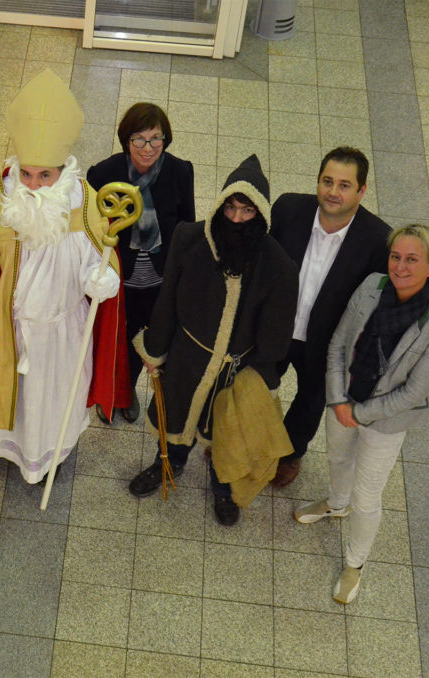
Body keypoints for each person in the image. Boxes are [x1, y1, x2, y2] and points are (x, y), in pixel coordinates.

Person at [0, 69, 129, 484]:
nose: (33, 185)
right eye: (27, 174)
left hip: (61, 331)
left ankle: (50, 454)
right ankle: (6, 451)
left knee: (52, 401)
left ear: (62, 171)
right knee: (15, 404)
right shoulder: (3, 200)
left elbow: (98, 256)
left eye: (44, 176)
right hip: (11, 329)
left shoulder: (85, 204)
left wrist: (101, 281)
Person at [127, 155, 299, 526]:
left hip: (234, 372)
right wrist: (155, 350)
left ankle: (223, 489)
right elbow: (168, 299)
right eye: (231, 208)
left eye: (247, 211)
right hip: (186, 359)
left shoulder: (279, 267)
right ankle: (167, 465)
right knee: (174, 418)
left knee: (226, 435)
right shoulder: (190, 239)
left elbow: (275, 333)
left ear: (261, 214)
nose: (236, 219)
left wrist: (261, 381)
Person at [294, 224, 429, 604]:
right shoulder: (371, 286)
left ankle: (355, 564)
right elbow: (337, 344)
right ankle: (336, 503)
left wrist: (359, 413)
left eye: (412, 259)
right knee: (336, 458)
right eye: (396, 256)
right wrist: (338, 398)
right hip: (343, 401)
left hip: (385, 421)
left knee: (367, 497)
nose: (400, 267)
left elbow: (414, 391)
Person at [269, 147, 391, 487]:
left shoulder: (378, 240)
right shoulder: (288, 209)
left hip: (326, 341)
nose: (333, 192)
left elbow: (375, 303)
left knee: (310, 401)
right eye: (327, 181)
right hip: (277, 327)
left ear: (361, 191)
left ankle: (289, 454)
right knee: (252, 383)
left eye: (344, 185)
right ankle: (240, 436)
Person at [86, 103, 195, 423]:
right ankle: (106, 393)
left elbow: (186, 225)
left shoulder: (179, 172)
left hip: (158, 278)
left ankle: (127, 390)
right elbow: (91, 229)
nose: (148, 148)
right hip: (118, 276)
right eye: (139, 139)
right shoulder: (103, 174)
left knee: (140, 340)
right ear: (126, 140)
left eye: (156, 139)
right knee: (113, 337)